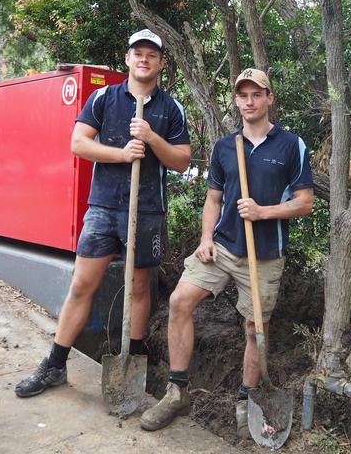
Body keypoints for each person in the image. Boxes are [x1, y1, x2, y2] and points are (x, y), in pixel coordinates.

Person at [15, 29, 191, 398]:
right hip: (104, 209)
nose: (144, 59)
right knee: (82, 285)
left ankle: (135, 355)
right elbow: (78, 143)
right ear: (127, 59)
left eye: (152, 55)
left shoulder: (170, 109)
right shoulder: (103, 98)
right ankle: (55, 365)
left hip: (147, 211)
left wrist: (151, 138)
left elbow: (181, 161)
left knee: (140, 287)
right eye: (138, 53)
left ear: (160, 63)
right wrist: (122, 153)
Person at [139, 68, 314, 437]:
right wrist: (205, 238)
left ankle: (245, 398)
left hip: (264, 254)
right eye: (243, 95)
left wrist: (264, 211)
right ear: (236, 101)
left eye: (257, 94)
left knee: (254, 329)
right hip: (221, 248)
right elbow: (213, 199)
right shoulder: (224, 147)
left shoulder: (291, 145)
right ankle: (176, 392)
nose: (249, 101)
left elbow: (304, 203)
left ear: (269, 98)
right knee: (179, 302)